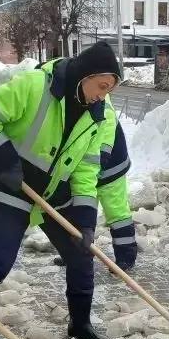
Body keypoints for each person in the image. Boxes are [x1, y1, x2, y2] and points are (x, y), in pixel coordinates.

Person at [0, 42, 122, 339]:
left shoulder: (96, 116)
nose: (102, 96)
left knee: (81, 254)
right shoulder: (37, 86)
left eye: (108, 91)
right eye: (101, 86)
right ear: (85, 75)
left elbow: (86, 171)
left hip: (54, 196)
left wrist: (86, 222)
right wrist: (4, 157)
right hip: (13, 191)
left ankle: (80, 324)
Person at [52, 114, 137, 271]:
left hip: (111, 168)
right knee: (79, 212)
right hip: (85, 169)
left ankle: (126, 257)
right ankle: (74, 254)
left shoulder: (102, 100)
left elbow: (107, 131)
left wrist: (100, 157)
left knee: (116, 213)